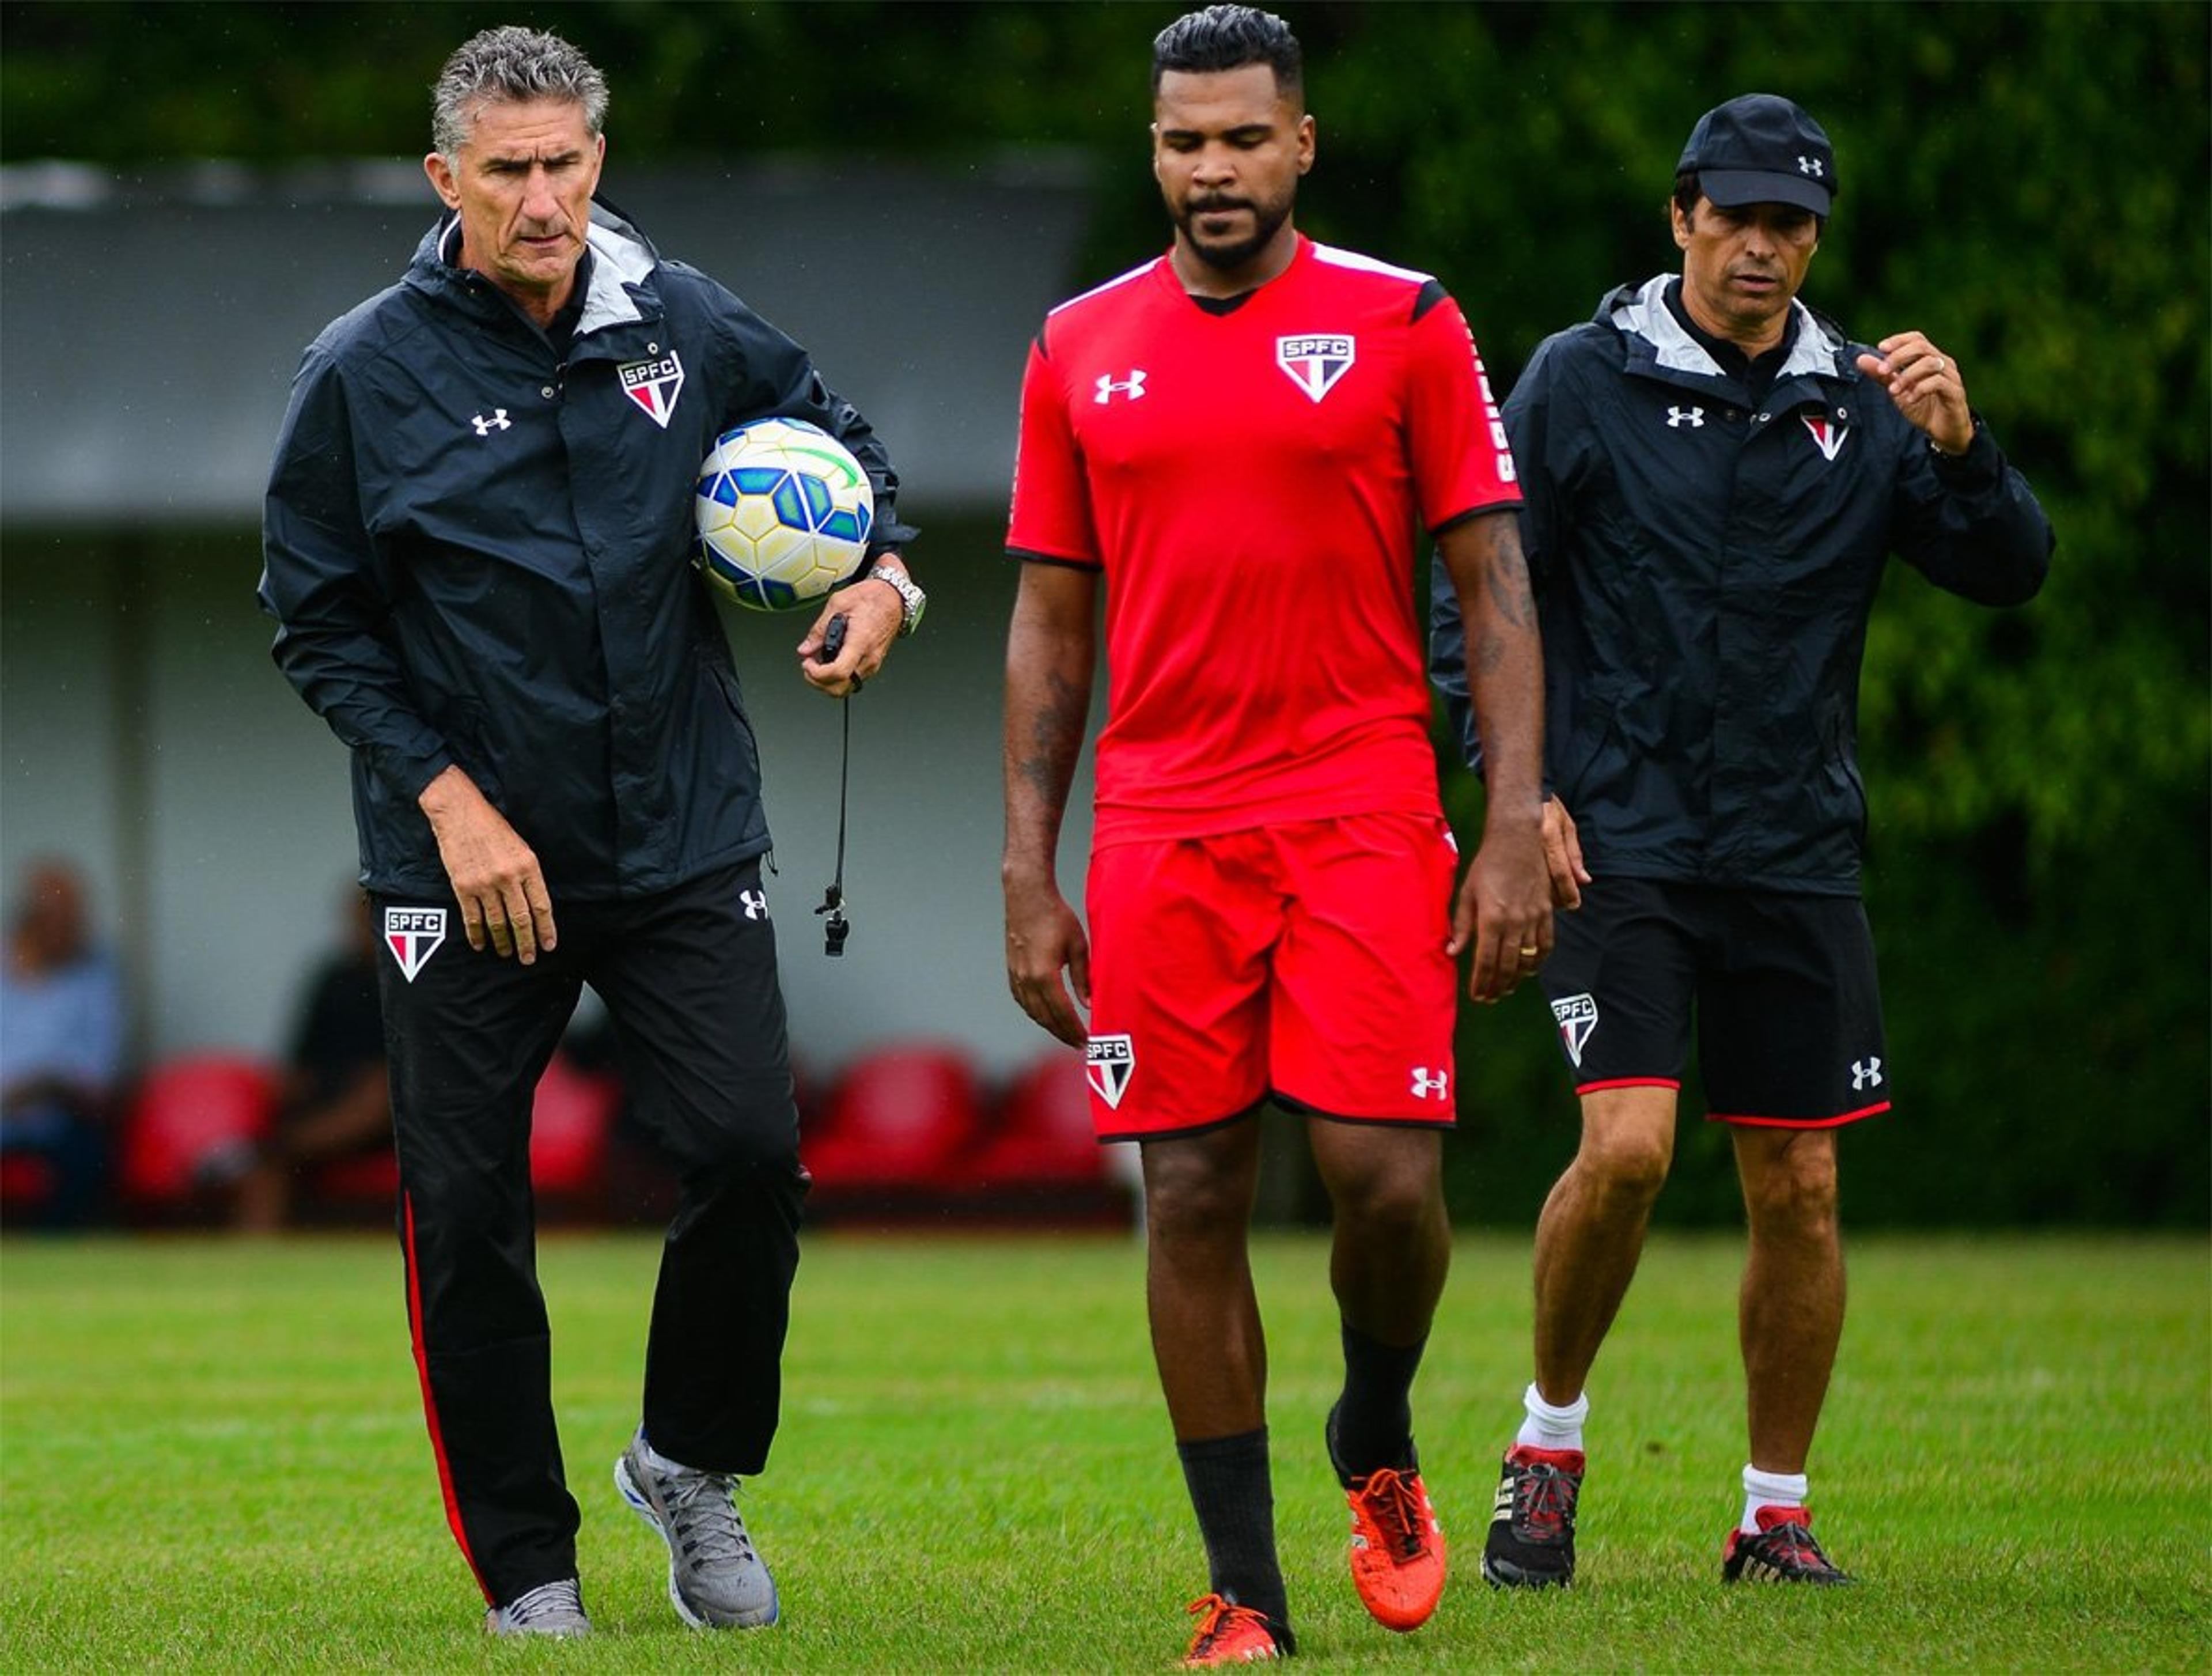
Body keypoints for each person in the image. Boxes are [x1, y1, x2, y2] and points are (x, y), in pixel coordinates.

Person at [259, 25, 923, 1640]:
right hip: (465, 864)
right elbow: (316, 617)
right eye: (509, 172)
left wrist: (881, 582)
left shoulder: (687, 324)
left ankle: (689, 1460)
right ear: (446, 182)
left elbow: (856, 464)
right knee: (471, 1210)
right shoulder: (362, 369)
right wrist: (447, 800)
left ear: (597, 162)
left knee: (752, 1150)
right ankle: (528, 1568)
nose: (544, 199)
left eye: (566, 164)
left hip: (682, 828)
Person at [1431, 93, 2054, 1590]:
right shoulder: (1581, 381)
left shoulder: (1868, 400)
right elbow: (1482, 592)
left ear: (1816, 237)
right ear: (1681, 219)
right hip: (1615, 836)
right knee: (1630, 1146)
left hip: (1793, 847)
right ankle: (1547, 1445)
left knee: (1803, 1186)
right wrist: (1519, 790)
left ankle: (1774, 1512)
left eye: (1791, 223)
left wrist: (1965, 451)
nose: (1762, 245)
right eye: (1737, 217)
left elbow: (2009, 568)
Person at [1001, 6, 1549, 1662]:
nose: (1212, 167)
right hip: (1162, 819)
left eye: (1244, 137)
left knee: (1384, 1180)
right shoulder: (1077, 345)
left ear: (1302, 143)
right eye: (1184, 140)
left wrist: (1512, 815)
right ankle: (1246, 1589)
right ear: (1154, 151)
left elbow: (1495, 587)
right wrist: (1029, 863)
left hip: (1366, 799)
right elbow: (1045, 622)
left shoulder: (1407, 322)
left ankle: (1372, 1426)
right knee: (1189, 1190)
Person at [218, 888, 392, 1232]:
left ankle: (273, 1148)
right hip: (328, 1098)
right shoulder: (332, 978)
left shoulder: (412, 976)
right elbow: (300, 1063)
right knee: (274, 1155)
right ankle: (251, 1251)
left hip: (389, 1115)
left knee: (378, 1095)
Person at [0, 858, 125, 1230]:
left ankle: (57, 1254)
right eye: (62, 917)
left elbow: (100, 1071)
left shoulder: (98, 971)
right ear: (31, 917)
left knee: (90, 1158)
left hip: (60, 1114)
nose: (75, 928)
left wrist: (47, 1085)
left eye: (77, 917)